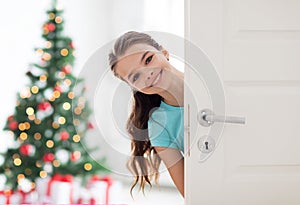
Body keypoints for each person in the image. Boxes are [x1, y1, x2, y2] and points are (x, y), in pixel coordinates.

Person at [108, 31, 184, 197]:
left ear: (164, 52)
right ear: (135, 87)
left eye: (148, 59)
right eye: (136, 76)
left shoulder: (216, 84)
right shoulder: (159, 127)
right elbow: (192, 193)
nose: (148, 73)